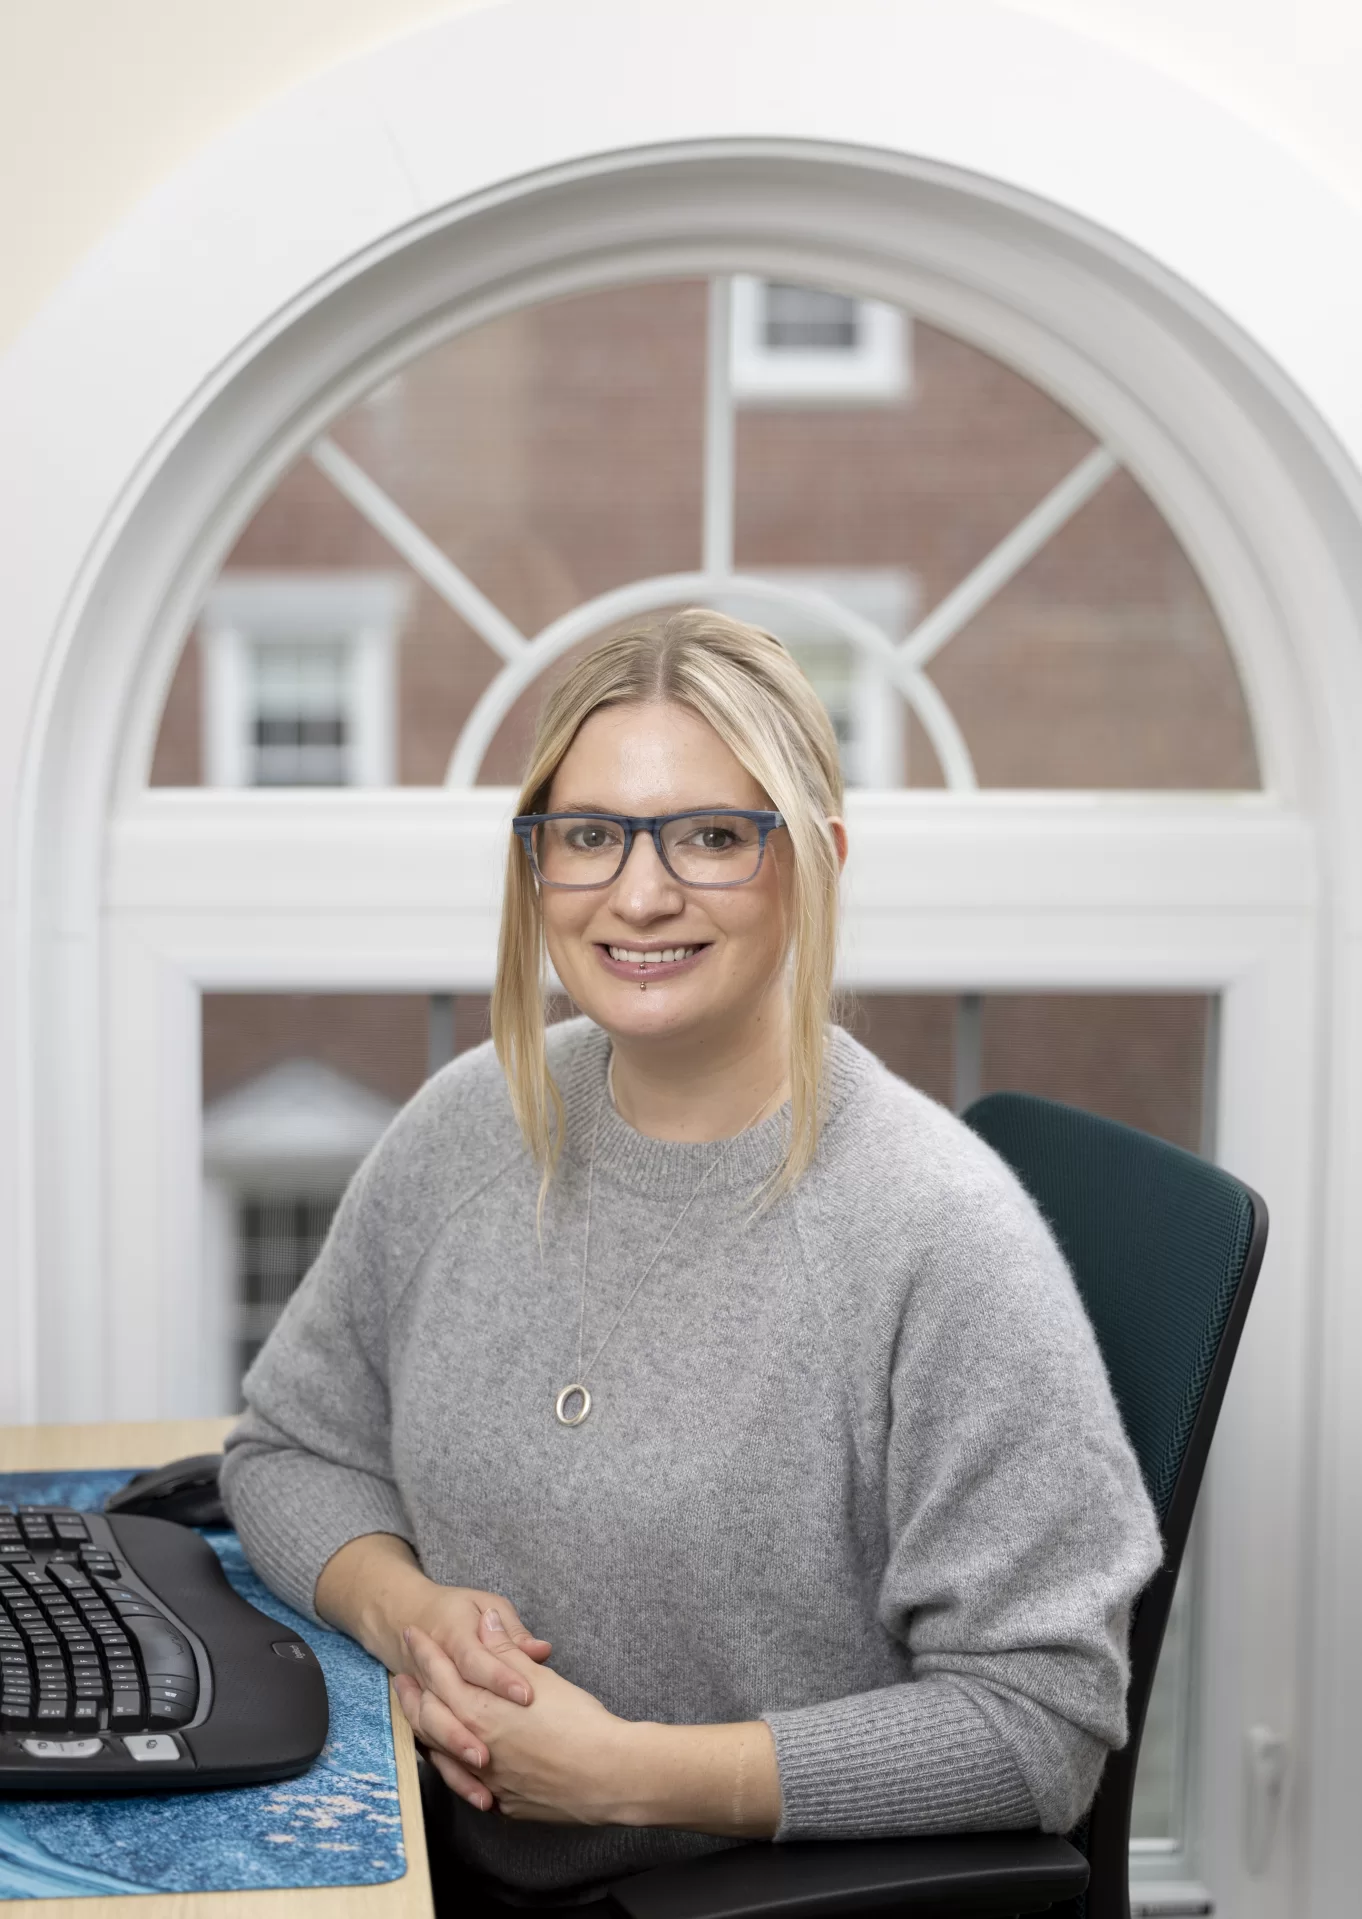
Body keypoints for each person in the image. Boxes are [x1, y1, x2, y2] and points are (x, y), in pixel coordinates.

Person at [221, 608, 1160, 1911]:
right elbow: (286, 1447)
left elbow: (1041, 1722)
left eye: (714, 836)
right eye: (590, 834)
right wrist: (404, 1608)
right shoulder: (466, 1121)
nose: (639, 891)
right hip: (403, 1848)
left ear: (817, 860)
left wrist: (629, 1772)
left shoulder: (936, 1234)